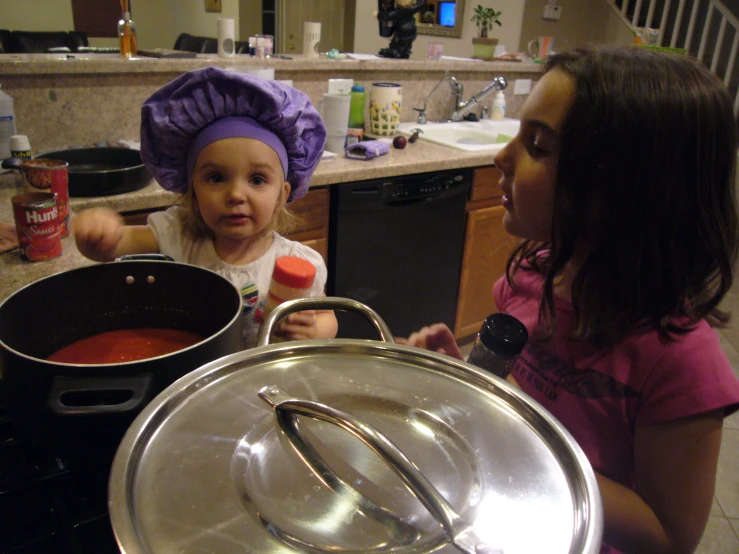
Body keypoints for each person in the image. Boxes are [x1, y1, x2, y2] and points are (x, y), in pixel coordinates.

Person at [399, 45, 739, 554]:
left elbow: (669, 537)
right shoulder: (534, 276)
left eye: (537, 145)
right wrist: (472, 382)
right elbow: (522, 396)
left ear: (624, 188)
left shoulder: (681, 362)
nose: (502, 156)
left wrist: (527, 447)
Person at [73, 67, 338, 347]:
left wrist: (315, 329)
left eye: (257, 179)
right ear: (193, 189)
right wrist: (98, 235)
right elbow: (113, 246)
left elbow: (327, 316)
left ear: (282, 194)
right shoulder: (177, 235)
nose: (236, 194)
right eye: (216, 178)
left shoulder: (299, 263)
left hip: (264, 381)